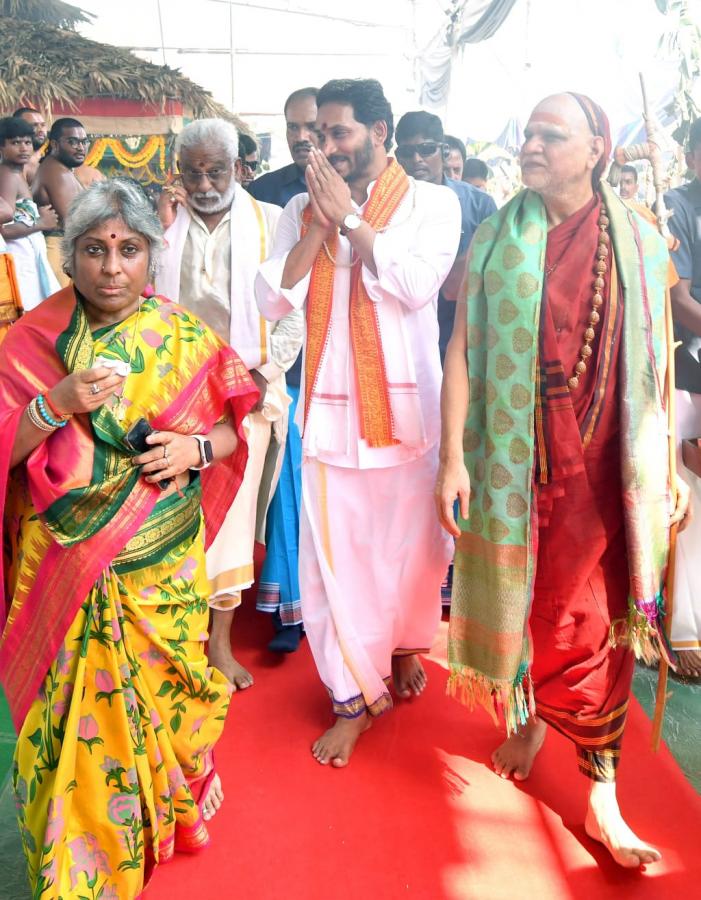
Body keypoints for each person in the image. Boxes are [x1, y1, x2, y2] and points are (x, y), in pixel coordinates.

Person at [436, 92, 690, 867]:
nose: (531, 146)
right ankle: (530, 715)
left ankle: (601, 796)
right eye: (529, 133)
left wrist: (669, 463)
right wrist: (452, 455)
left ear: (595, 150)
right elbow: (460, 353)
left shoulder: (641, 241)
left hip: (610, 474)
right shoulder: (491, 239)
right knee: (530, 607)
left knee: (598, 621)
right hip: (513, 467)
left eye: (552, 135)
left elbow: (658, 358)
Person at [0, 178, 258, 897]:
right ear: (67, 255)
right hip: (65, 562)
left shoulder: (183, 335)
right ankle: (78, 857)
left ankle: (169, 808)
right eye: (94, 250)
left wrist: (194, 452)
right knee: (75, 719)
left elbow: (234, 425)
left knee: (169, 686)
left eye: (129, 249)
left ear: (152, 254)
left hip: (160, 555)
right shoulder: (29, 342)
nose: (112, 268)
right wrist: (54, 405)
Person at [256, 77, 459, 766]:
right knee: (335, 562)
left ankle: (401, 648)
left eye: (338, 132)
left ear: (379, 132)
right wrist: (316, 224)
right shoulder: (297, 207)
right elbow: (272, 298)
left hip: (408, 415)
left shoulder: (434, 203)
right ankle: (351, 696)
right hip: (327, 418)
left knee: (411, 555)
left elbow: (412, 283)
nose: (325, 146)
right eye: (318, 134)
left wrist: (348, 220)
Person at [156, 118, 303, 689]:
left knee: (234, 522)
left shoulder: (271, 224)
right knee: (174, 518)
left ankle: (218, 643)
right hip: (173, 394)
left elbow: (292, 311)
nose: (204, 182)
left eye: (216, 170)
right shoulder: (160, 228)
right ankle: (176, 638)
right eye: (192, 171)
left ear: (239, 168)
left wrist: (265, 373)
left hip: (246, 389)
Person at [394, 111, 496, 363]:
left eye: (426, 149)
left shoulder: (478, 204)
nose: (416, 159)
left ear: (444, 151)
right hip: (403, 339)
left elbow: (490, 277)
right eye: (407, 152)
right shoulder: (386, 205)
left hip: (460, 338)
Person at [665, 117, 701, 679]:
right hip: (688, 367)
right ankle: (683, 626)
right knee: (684, 491)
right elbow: (680, 301)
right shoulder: (674, 206)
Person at [33, 117, 104, 287]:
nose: (80, 147)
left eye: (83, 141)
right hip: (59, 251)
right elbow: (75, 222)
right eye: (72, 142)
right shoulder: (57, 172)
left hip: (61, 250)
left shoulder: (59, 168)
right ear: (55, 144)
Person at [0, 117, 59, 310]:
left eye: (27, 142)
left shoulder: (16, 173)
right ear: (1, 147)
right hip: (17, 257)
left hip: (26, 255)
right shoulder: (7, 175)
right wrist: (41, 223)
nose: (24, 148)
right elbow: (4, 231)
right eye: (15, 142)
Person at [248, 87, 318, 207]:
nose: (301, 137)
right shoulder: (262, 191)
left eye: (311, 126)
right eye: (293, 127)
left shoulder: (355, 187)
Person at [12, 107, 47, 183]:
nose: (41, 129)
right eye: (34, 125)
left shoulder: (50, 157)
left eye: (43, 125)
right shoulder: (12, 164)